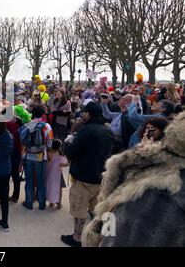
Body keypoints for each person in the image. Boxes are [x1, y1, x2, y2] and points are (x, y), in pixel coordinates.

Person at [83, 111, 185, 246]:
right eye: (147, 128)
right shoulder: (144, 157)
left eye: (153, 129)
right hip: (112, 220)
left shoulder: (163, 187)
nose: (149, 131)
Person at [61, 102, 114, 247]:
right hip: (100, 176)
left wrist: (68, 143)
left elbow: (71, 152)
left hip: (84, 176)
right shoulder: (107, 130)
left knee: (79, 208)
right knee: (96, 209)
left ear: (88, 114)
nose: (82, 114)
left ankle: (76, 238)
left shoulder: (86, 129)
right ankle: (98, 237)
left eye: (84, 112)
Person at [18, 105, 54, 211]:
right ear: (43, 114)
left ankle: (29, 202)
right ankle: (42, 204)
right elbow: (50, 142)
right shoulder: (46, 126)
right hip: (41, 157)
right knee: (40, 181)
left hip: (28, 156)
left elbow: (22, 140)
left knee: (29, 181)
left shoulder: (26, 125)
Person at [45, 139, 70, 209]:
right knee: (59, 189)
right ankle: (59, 203)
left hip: (49, 175)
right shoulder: (59, 155)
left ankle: (51, 203)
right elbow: (64, 164)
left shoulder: (49, 153)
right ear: (59, 147)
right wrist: (70, 163)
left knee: (50, 188)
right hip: (58, 176)